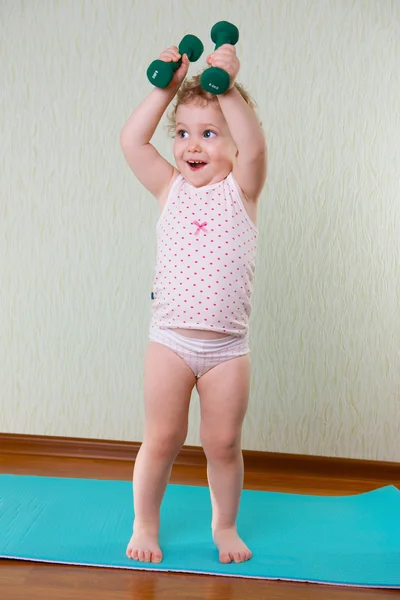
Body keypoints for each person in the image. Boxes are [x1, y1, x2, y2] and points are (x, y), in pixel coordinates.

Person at [120, 40, 267, 565]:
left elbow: (253, 148)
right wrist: (164, 89)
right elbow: (133, 142)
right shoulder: (170, 189)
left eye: (209, 134)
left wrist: (224, 85)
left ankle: (224, 527)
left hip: (228, 349)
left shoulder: (243, 190)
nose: (192, 146)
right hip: (171, 342)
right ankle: (145, 522)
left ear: (230, 143)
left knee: (223, 444)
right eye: (183, 133)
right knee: (161, 439)